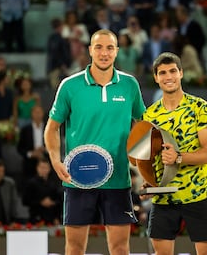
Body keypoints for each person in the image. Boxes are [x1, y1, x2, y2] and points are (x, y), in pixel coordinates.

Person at [43, 29, 146, 255]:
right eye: (98, 47)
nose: (104, 53)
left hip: (118, 180)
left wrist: (143, 163)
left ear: (117, 52)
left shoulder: (130, 85)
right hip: (78, 179)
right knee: (75, 248)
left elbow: (143, 125)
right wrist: (55, 160)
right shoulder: (70, 86)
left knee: (120, 248)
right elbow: (52, 128)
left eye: (110, 47)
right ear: (90, 50)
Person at [142, 52, 207, 255]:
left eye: (173, 71)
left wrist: (178, 157)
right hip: (163, 198)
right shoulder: (149, 115)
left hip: (197, 195)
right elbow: (152, 157)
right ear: (156, 78)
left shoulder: (200, 107)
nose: (168, 76)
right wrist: (149, 180)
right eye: (163, 72)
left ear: (181, 73)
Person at [22, 158, 63, 224]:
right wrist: (40, 202)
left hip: (52, 218)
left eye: (46, 168)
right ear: (37, 168)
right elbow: (25, 201)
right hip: (36, 218)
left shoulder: (55, 183)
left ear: (49, 169)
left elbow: (59, 200)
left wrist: (53, 204)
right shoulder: (31, 183)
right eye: (41, 167)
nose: (43, 170)